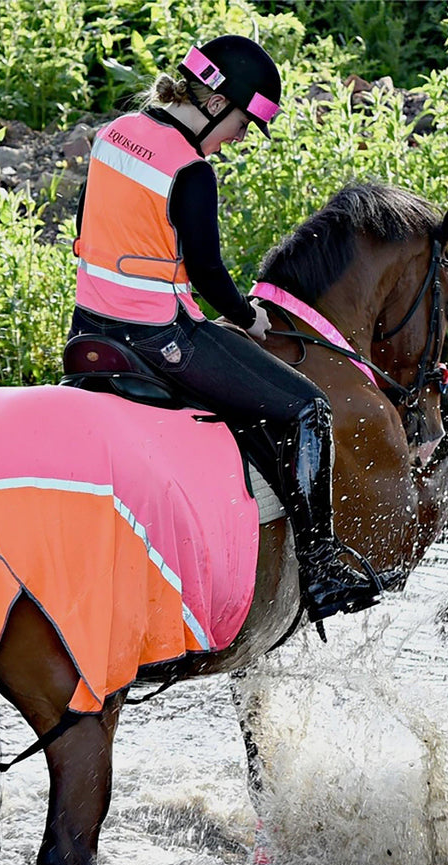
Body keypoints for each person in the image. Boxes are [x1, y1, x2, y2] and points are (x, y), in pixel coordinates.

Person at [69, 34, 381, 623]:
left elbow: (92, 227)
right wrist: (246, 316)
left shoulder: (113, 136)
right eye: (241, 123)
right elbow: (210, 273)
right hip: (160, 340)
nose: (238, 138)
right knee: (308, 410)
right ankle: (320, 571)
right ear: (215, 103)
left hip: (90, 330)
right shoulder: (190, 171)